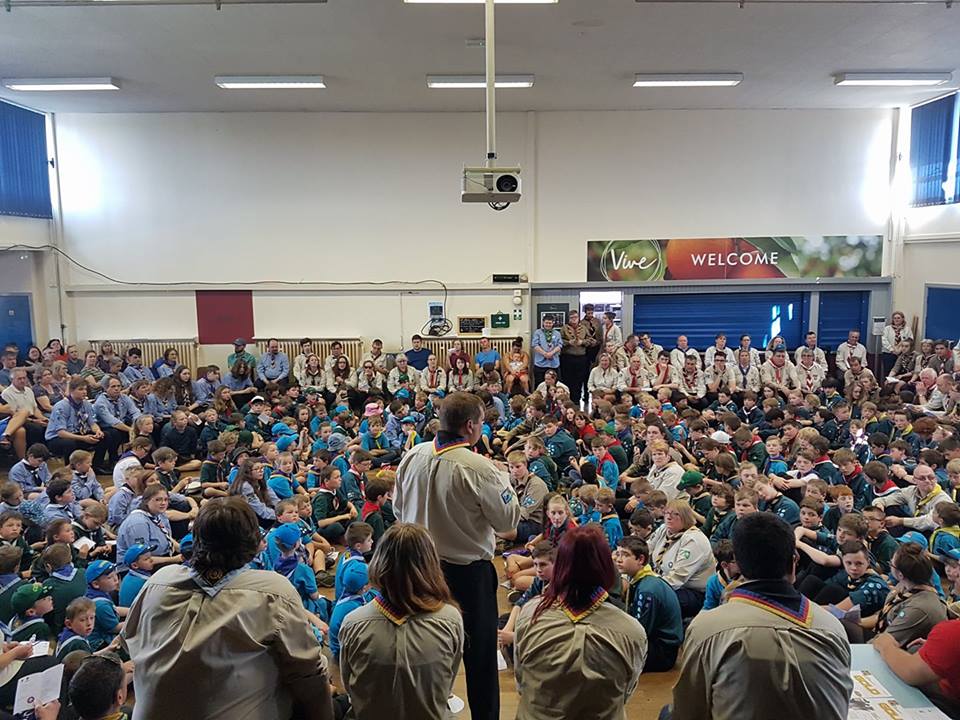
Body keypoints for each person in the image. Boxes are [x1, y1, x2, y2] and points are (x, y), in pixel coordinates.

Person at [122, 497, 333, 720]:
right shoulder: (273, 590)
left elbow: (129, 641)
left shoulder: (158, 581)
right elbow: (309, 672)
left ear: (196, 539)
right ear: (252, 542)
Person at [395, 391, 520, 720]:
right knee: (479, 656)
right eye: (481, 422)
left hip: (417, 567)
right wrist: (503, 478)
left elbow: (398, 510)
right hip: (466, 574)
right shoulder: (480, 467)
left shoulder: (413, 455)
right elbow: (508, 522)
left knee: (424, 647)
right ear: (471, 426)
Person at [666, 513, 852, 720]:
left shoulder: (708, 629)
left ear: (738, 563)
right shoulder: (831, 626)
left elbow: (688, 711)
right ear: (794, 562)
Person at [514, 525, 648, 720]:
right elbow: (626, 692)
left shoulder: (530, 614)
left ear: (559, 567)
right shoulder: (632, 631)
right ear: (607, 568)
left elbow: (521, 682)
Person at [339, 524, 463, 720]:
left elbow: (350, 686)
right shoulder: (450, 618)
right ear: (431, 564)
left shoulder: (353, 623)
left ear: (379, 562)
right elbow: (447, 684)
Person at [647, 500, 714, 617]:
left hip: (692, 592)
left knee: (654, 600)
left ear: (685, 517)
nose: (669, 517)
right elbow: (646, 548)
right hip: (663, 580)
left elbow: (677, 578)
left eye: (675, 514)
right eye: (667, 513)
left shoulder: (694, 540)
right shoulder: (664, 529)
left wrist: (651, 587)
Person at [44, 378, 108, 469]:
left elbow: (92, 423)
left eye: (85, 389)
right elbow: (61, 433)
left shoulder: (86, 404)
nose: (84, 392)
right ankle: (71, 470)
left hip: (78, 433)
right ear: (71, 391)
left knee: (104, 436)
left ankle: (96, 466)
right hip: (57, 438)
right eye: (80, 389)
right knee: (70, 444)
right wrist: (83, 438)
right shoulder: (61, 406)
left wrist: (98, 431)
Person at [560, 309, 590, 405]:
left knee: (579, 379)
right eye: (572, 317)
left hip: (581, 357)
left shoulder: (584, 328)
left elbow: (591, 340)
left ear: (578, 318)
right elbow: (559, 341)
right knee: (567, 379)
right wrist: (568, 342)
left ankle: (577, 400)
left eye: (575, 317)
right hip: (567, 357)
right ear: (569, 319)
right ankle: (568, 399)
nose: (574, 319)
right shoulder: (564, 328)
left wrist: (583, 342)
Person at [531, 317, 563, 391]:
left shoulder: (557, 333)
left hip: (553, 363)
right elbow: (535, 345)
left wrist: (551, 353)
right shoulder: (538, 332)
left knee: (555, 385)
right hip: (540, 364)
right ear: (543, 322)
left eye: (550, 323)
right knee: (539, 384)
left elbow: (560, 345)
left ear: (553, 323)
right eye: (546, 323)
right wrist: (545, 354)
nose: (548, 325)